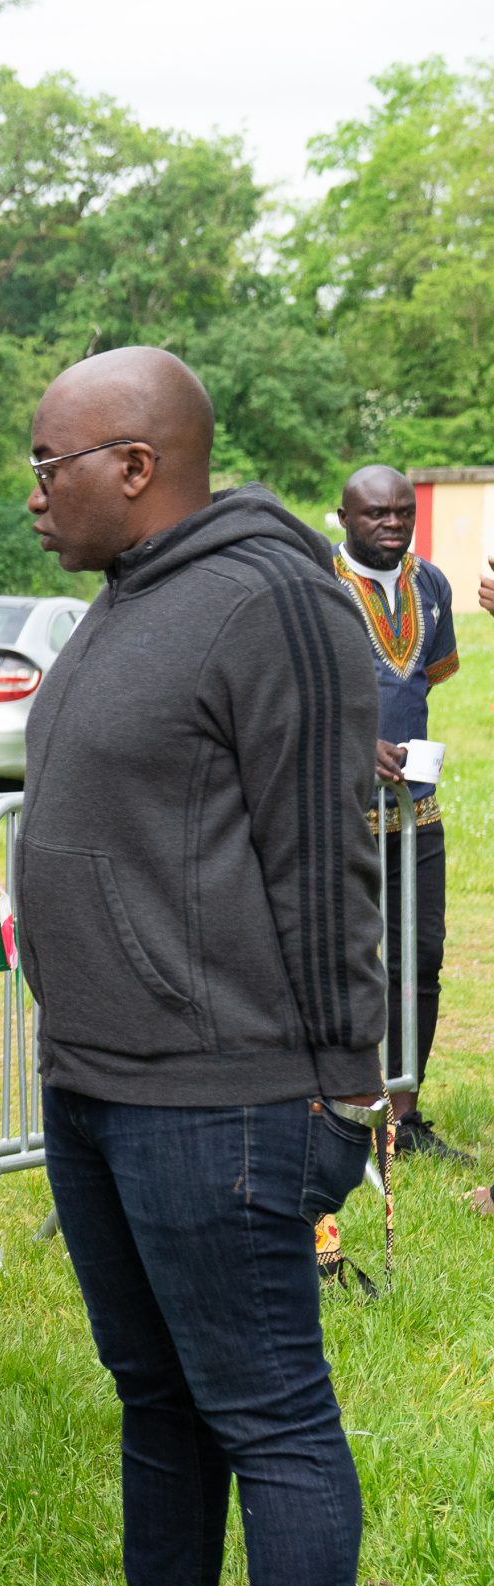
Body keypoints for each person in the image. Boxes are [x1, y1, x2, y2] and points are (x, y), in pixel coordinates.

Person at [12, 348, 384, 1586]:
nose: (33, 492)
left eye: (48, 464)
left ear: (135, 465)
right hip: (96, 1082)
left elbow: (325, 859)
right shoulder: (126, 598)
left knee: (270, 1417)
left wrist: (344, 1091)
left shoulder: (271, 598)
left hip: (219, 1094)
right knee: (157, 1395)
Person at [334, 465, 468, 1162]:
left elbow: (423, 682)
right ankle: (340, 1115)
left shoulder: (432, 585)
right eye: (376, 513)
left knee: (421, 959)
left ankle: (404, 1118)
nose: (392, 524)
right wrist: (355, 744)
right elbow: (290, 689)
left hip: (417, 814)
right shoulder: (319, 587)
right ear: (344, 517)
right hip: (337, 817)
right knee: (344, 961)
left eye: (403, 512)